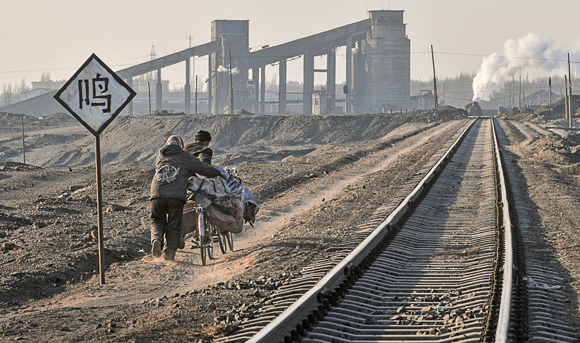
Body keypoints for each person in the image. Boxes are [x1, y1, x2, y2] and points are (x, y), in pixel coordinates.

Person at [150, 134, 221, 260]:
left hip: (157, 193)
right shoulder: (184, 156)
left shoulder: (160, 156)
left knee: (157, 219)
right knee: (174, 223)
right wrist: (217, 172)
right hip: (175, 195)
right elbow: (203, 168)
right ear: (181, 146)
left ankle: (156, 239)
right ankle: (169, 253)